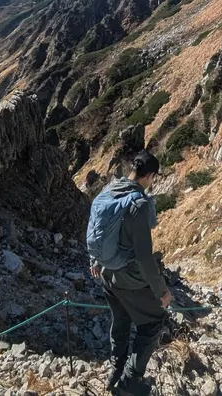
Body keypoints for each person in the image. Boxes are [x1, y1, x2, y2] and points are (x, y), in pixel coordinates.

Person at [87, 151, 171, 395]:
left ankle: (116, 369)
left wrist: (95, 258)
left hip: (105, 274)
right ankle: (129, 383)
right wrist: (162, 292)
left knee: (121, 319)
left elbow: (95, 224)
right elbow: (144, 258)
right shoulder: (139, 204)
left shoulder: (111, 189)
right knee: (154, 321)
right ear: (150, 176)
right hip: (126, 276)